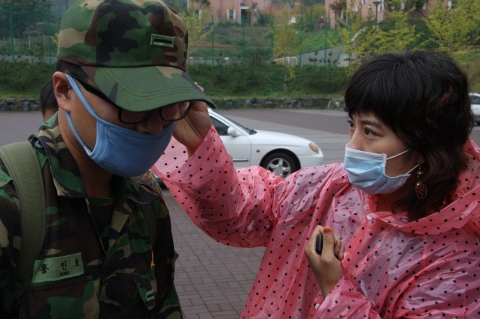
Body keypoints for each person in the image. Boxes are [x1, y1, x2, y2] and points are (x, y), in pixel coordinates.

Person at [153, 51, 480, 318]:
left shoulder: (456, 256)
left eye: (370, 132)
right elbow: (239, 214)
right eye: (351, 125)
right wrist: (201, 143)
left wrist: (336, 289)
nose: (352, 145)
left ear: (427, 145)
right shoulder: (327, 187)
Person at [0, 0, 214, 317]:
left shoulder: (146, 199)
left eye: (169, 104)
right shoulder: (12, 201)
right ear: (64, 92)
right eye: (133, 104)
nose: (154, 125)